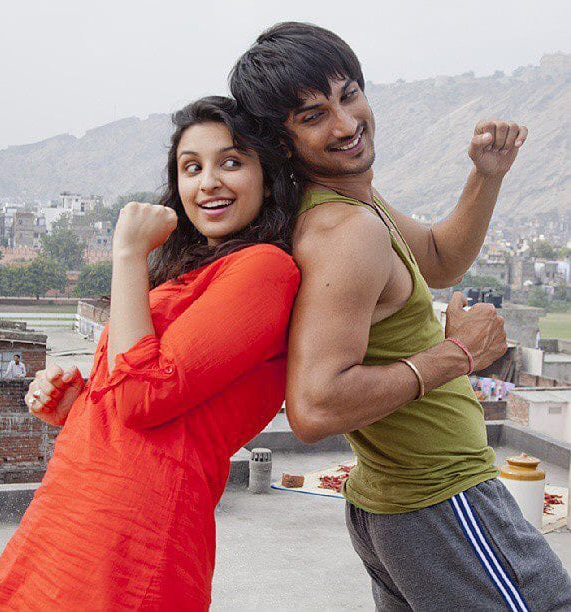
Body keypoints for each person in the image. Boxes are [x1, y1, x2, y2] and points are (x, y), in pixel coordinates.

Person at [230, 22, 571, 611]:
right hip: (441, 500)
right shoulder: (345, 231)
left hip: (403, 507)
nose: (345, 123)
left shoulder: (355, 203)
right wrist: (458, 354)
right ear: (280, 142)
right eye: (312, 116)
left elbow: (437, 259)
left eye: (348, 94)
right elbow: (314, 407)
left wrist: (486, 175)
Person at [0, 96, 300, 611]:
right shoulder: (193, 272)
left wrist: (127, 254)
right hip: (74, 511)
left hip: (133, 538)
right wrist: (79, 403)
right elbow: (137, 394)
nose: (207, 181)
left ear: (269, 174)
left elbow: (144, 397)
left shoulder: (264, 269)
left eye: (231, 162)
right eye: (192, 167)